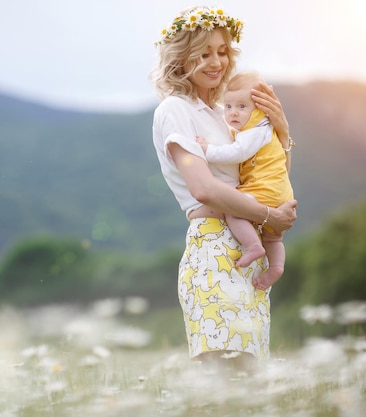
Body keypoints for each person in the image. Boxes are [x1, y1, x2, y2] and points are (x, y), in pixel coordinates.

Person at [150, 6, 297, 369]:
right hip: (215, 247)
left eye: (222, 51)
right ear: (181, 58)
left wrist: (282, 131)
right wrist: (268, 214)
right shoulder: (175, 109)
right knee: (224, 374)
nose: (216, 61)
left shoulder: (225, 111)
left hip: (250, 251)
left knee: (249, 382)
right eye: (204, 53)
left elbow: (269, 172)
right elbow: (204, 189)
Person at [195, 71, 295, 291]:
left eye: (242, 107)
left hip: (264, 190)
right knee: (273, 239)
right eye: (228, 106)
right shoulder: (261, 130)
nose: (233, 113)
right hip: (281, 194)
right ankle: (276, 267)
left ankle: (252, 247)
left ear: (259, 108)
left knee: (233, 209)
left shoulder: (256, 132)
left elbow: (237, 153)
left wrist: (206, 150)